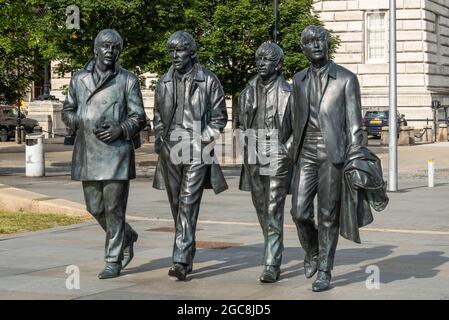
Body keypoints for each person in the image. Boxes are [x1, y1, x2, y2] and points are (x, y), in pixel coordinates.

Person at [62, 29, 146, 279]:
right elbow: (67, 109)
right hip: (88, 151)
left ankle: (113, 259)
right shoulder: (78, 79)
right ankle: (127, 235)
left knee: (114, 209)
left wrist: (121, 128)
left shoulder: (127, 80)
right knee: (95, 207)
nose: (110, 52)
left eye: (115, 47)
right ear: (95, 49)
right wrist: (79, 121)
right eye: (105, 47)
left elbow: (139, 116)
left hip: (116, 152)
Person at [290, 25, 364, 292]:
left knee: (328, 214)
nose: (316, 44)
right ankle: (312, 251)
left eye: (321, 39)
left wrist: (355, 157)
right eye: (310, 41)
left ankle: (325, 270)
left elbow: (355, 126)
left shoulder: (346, 78)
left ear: (327, 43)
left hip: (333, 153)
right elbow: (292, 120)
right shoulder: (298, 80)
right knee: (299, 212)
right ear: (304, 48)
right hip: (305, 151)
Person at [152, 31, 228, 281]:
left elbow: (219, 118)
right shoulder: (163, 81)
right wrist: (161, 138)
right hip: (170, 148)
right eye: (171, 51)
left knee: (187, 202)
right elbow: (157, 115)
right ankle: (187, 246)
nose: (175, 55)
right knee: (176, 205)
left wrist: (201, 140)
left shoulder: (208, 80)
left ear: (191, 52)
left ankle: (181, 260)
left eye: (180, 50)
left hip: (196, 148)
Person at [237, 42, 293, 283]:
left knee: (272, 208)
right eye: (258, 58)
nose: (261, 63)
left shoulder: (290, 93)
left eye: (267, 60)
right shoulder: (246, 92)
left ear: (278, 65)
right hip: (253, 154)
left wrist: (284, 150)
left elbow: (298, 129)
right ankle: (273, 245)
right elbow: (239, 123)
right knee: (261, 208)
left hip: (277, 154)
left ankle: (271, 263)